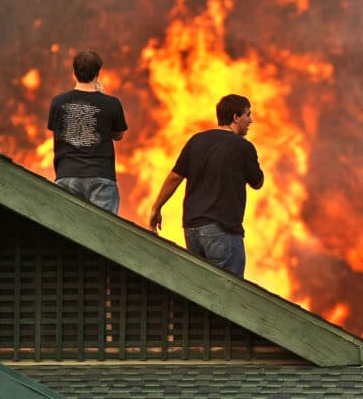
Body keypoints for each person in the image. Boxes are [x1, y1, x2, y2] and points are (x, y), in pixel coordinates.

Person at [149, 94, 264, 278]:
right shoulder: (242, 147)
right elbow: (257, 182)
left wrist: (157, 207)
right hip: (222, 231)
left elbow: (174, 177)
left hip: (192, 229)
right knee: (229, 293)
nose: (251, 120)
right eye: (248, 114)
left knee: (201, 291)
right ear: (236, 117)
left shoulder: (196, 141)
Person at [47, 50, 128, 214]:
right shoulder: (111, 103)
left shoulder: (57, 102)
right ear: (98, 72)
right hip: (101, 178)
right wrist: (102, 98)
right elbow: (118, 135)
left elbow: (55, 129)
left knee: (66, 231)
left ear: (74, 72)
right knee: (102, 233)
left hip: (66, 175)